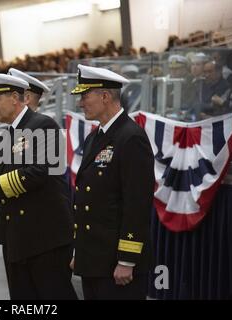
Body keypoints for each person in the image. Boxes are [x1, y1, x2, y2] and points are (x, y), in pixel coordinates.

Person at [0, 73, 77, 300]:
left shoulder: (44, 125)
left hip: (45, 237)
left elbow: (38, 173)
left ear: (15, 97)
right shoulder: (3, 136)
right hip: (15, 238)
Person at [69, 65, 155, 300]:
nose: (80, 103)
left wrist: (127, 260)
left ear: (105, 96)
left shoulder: (131, 137)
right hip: (94, 260)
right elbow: (87, 200)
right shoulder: (94, 137)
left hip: (116, 263)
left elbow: (136, 204)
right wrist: (81, 251)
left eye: (85, 96)